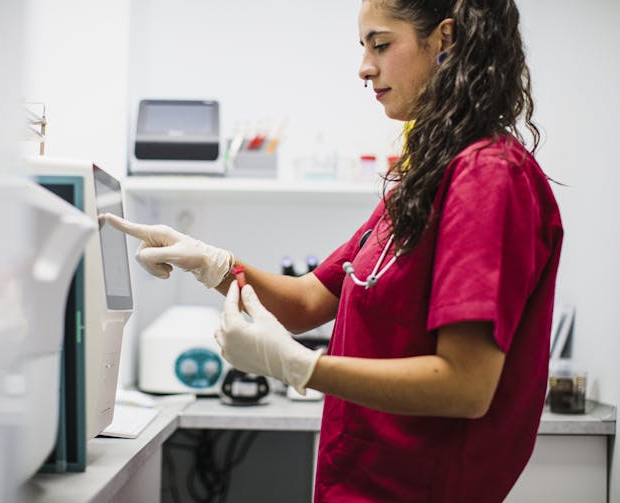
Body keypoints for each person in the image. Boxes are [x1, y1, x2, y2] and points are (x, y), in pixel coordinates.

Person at [103, 0, 563, 500]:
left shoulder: (487, 177)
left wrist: (302, 367)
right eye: (364, 47)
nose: (365, 67)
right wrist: (211, 263)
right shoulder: (425, 182)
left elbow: (467, 385)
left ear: (445, 41)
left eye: (381, 45)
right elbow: (306, 301)